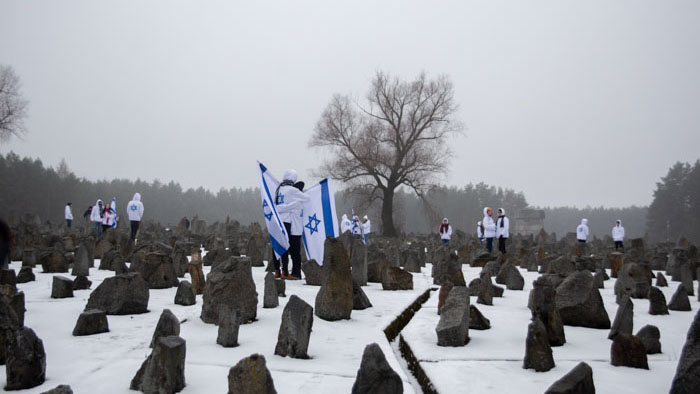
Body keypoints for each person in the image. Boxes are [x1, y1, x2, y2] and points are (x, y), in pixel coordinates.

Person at [274, 169, 309, 280]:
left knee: (294, 252)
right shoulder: (288, 193)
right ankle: (290, 272)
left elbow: (279, 207)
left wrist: (280, 207)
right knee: (292, 251)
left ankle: (295, 272)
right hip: (292, 227)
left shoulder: (298, 202)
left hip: (294, 228)